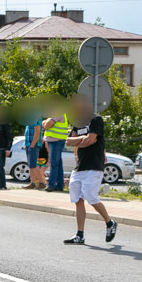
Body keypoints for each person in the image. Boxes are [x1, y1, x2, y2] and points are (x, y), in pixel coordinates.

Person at [64, 95, 118, 245]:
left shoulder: (96, 120)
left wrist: (83, 140)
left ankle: (110, 223)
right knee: (78, 200)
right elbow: (69, 141)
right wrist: (84, 140)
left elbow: (91, 140)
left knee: (91, 197)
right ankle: (79, 235)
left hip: (94, 165)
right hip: (79, 166)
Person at [42, 113, 70, 192]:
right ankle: (59, 185)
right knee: (58, 164)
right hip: (56, 140)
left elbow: (46, 125)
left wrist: (46, 122)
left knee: (54, 163)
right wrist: (47, 122)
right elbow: (44, 123)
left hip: (56, 141)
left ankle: (51, 185)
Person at [23, 121, 46, 190]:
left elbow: (37, 132)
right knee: (31, 165)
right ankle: (32, 183)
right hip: (29, 145)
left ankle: (41, 183)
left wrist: (32, 145)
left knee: (33, 165)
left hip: (33, 145)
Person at [0, 122, 13, 190]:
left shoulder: (4, 124)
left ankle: (3, 185)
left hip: (2, 148)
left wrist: (8, 149)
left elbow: (9, 136)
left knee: (0, 167)